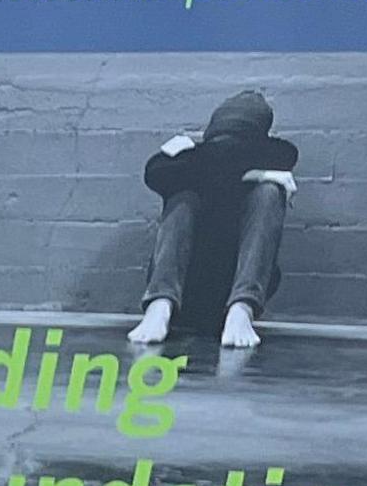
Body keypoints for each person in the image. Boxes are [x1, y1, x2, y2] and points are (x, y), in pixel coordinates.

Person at [127, 88, 297, 352]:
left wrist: (258, 177)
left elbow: (283, 159)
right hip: (183, 292)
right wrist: (255, 172)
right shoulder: (189, 163)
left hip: (233, 296)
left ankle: (243, 310)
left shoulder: (250, 173)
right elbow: (155, 172)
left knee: (269, 194)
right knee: (183, 194)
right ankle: (159, 305)